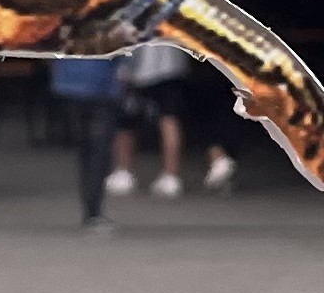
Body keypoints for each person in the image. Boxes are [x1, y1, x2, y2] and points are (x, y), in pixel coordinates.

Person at [117, 35, 233, 198]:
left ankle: (124, 172)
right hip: (174, 67)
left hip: (142, 69)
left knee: (128, 120)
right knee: (172, 118)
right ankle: (174, 174)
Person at [51, 52, 123, 235]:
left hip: (69, 84)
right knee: (98, 150)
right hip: (102, 86)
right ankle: (93, 210)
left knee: (86, 149)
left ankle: (91, 208)